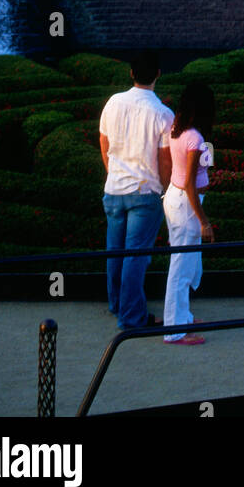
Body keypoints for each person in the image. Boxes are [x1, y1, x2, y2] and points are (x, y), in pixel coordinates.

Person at [98, 50, 173, 331]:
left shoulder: (113, 103)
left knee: (114, 251)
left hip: (114, 188)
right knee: (136, 256)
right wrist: (165, 190)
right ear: (158, 75)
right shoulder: (163, 113)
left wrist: (112, 173)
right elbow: (165, 161)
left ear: (131, 73)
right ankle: (131, 316)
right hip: (145, 192)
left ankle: (117, 303)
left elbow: (104, 143)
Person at [163, 82, 216, 346]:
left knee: (185, 263)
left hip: (176, 200)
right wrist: (204, 221)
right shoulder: (194, 138)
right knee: (181, 268)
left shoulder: (178, 129)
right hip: (186, 204)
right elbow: (190, 185)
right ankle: (174, 330)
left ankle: (181, 318)